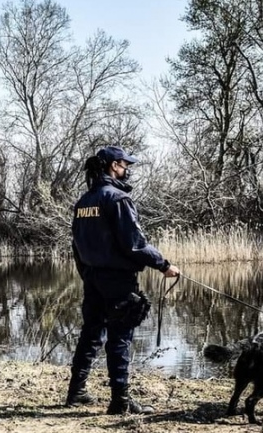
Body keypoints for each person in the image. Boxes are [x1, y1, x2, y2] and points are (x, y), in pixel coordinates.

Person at [65, 146, 180, 415]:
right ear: (114, 166)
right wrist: (163, 265)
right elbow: (135, 244)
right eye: (125, 164)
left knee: (91, 334)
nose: (127, 169)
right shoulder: (117, 199)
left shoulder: (84, 202)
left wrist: (87, 274)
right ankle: (120, 401)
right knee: (120, 337)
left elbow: (76, 245)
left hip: (92, 278)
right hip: (117, 280)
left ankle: (76, 392)